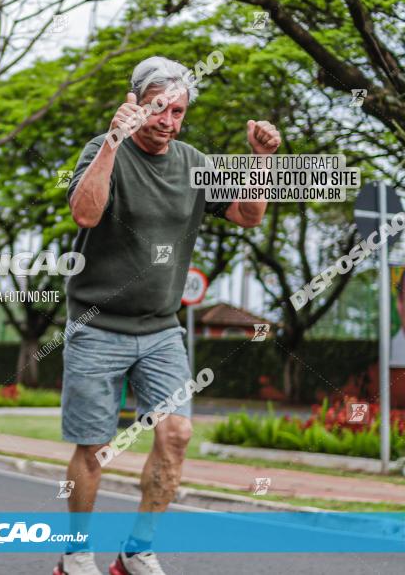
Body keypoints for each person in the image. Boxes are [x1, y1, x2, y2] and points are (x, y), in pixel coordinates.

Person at [57, 56, 280, 575]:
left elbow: (248, 215)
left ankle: (136, 549)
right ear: (136, 104)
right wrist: (112, 142)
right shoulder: (101, 148)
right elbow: (85, 212)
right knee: (94, 448)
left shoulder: (192, 162)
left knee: (176, 433)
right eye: (159, 108)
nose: (168, 121)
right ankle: (74, 554)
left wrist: (262, 159)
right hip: (97, 326)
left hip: (161, 330)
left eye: (177, 111)